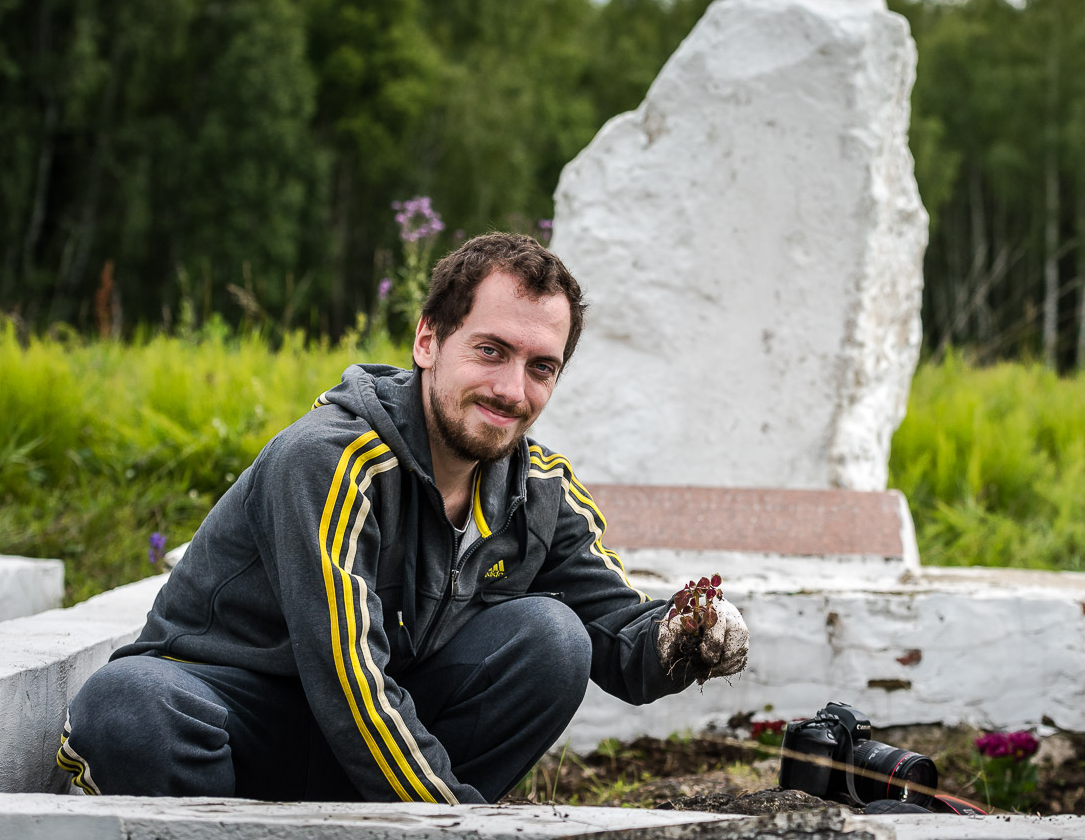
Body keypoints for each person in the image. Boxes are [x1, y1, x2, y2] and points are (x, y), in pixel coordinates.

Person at [56, 233, 749, 803]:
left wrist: (683, 634)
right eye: (491, 350)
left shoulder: (540, 489)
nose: (513, 390)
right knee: (130, 702)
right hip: (240, 726)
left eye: (542, 366)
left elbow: (619, 637)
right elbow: (350, 678)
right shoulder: (329, 461)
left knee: (553, 638)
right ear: (427, 341)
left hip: (365, 754)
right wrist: (459, 823)